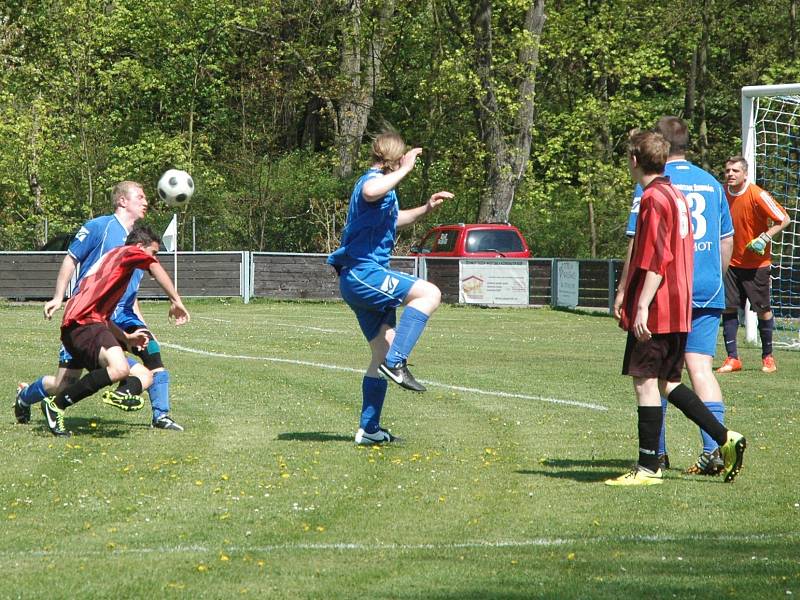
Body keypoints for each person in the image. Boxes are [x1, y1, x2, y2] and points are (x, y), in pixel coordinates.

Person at [606, 129, 745, 486]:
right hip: (685, 300)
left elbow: (655, 257)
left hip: (659, 304)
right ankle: (724, 438)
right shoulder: (675, 193)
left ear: (635, 160)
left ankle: (649, 466)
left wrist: (640, 306)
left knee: (644, 381)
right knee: (668, 381)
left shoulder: (653, 197)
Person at [14, 181, 184, 430]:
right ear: (122, 201)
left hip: (115, 315)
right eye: (140, 196)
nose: (146, 201)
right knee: (66, 384)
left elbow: (128, 289)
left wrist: (131, 330)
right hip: (87, 315)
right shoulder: (103, 229)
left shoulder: (139, 238)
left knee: (150, 358)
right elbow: (71, 259)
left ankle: (160, 415)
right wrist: (58, 296)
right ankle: (30, 396)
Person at [327, 132, 452, 445]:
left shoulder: (384, 189)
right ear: (394, 160)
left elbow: (393, 219)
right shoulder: (371, 180)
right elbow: (371, 190)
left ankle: (369, 429)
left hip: (363, 276)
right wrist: (405, 170)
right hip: (363, 274)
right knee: (430, 293)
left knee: (378, 355)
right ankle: (397, 362)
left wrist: (425, 209)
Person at [41, 226, 189, 437]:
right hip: (83, 324)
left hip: (86, 325)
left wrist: (127, 337)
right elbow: (154, 267)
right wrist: (176, 301)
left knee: (144, 375)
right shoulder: (128, 252)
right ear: (140, 247)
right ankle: (56, 405)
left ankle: (117, 394)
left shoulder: (115, 265)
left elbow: (104, 317)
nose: (153, 259)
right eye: (153, 252)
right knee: (119, 368)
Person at [717, 156, 791, 374]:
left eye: (735, 171)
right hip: (730, 262)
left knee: (762, 309)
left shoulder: (757, 194)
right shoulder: (720, 193)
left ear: (745, 174)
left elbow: (784, 219)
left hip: (757, 264)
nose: (730, 174)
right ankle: (732, 358)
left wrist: (764, 238)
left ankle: (768, 357)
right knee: (729, 308)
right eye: (728, 170)